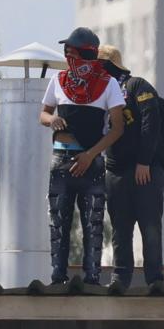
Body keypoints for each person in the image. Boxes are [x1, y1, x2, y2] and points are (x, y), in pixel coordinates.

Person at [39, 27, 125, 285]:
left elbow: (118, 127)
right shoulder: (59, 80)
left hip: (92, 163)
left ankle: (92, 277)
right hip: (61, 160)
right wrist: (52, 119)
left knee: (93, 223)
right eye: (66, 53)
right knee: (58, 223)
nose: (69, 58)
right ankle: (58, 276)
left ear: (88, 54)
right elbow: (42, 114)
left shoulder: (108, 84)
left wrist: (90, 155)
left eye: (73, 53)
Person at [97, 44, 164, 289]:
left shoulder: (137, 85)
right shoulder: (99, 93)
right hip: (115, 172)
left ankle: (154, 279)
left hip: (143, 171)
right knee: (120, 228)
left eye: (100, 65)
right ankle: (120, 277)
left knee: (150, 227)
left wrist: (144, 161)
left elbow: (151, 121)